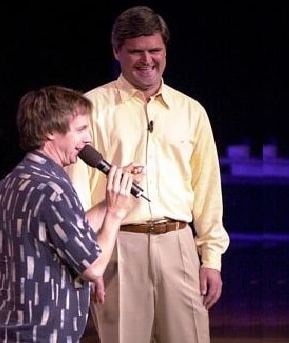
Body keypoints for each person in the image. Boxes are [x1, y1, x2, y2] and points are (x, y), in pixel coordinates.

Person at [66, 6, 230, 343]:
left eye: (155, 51)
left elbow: (208, 189)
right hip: (117, 247)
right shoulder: (90, 108)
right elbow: (76, 192)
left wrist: (211, 258)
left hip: (179, 244)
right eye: (136, 52)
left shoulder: (191, 111)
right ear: (116, 52)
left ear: (165, 51)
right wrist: (88, 258)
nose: (147, 60)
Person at [0, 85, 135, 343]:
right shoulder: (54, 189)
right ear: (49, 131)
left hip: (4, 330)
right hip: (41, 332)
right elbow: (94, 268)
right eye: (81, 130)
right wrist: (116, 212)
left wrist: (109, 199)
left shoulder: (13, 180)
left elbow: (67, 230)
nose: (88, 140)